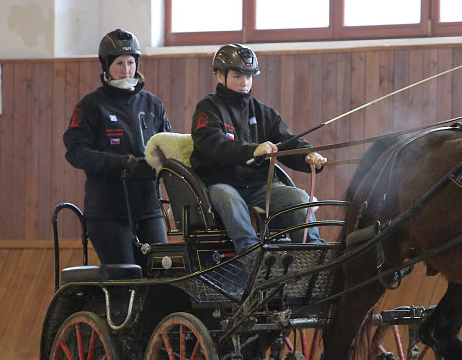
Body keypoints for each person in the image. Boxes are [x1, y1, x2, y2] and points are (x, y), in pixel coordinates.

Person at [190, 44, 327, 253]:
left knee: (299, 199)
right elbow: (211, 144)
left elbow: (288, 141)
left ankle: (314, 255)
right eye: (237, 76)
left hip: (260, 186)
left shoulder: (264, 112)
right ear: (219, 76)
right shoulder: (208, 108)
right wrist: (252, 150)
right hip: (221, 184)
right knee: (229, 199)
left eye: (249, 77)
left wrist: (308, 156)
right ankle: (253, 257)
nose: (244, 83)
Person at [64, 28, 172, 265]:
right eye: (119, 63)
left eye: (131, 62)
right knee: (124, 276)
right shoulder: (92, 105)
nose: (126, 69)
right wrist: (116, 162)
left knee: (161, 274)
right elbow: (76, 151)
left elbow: (169, 144)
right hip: (107, 211)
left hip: (149, 208)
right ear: (106, 67)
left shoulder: (152, 104)